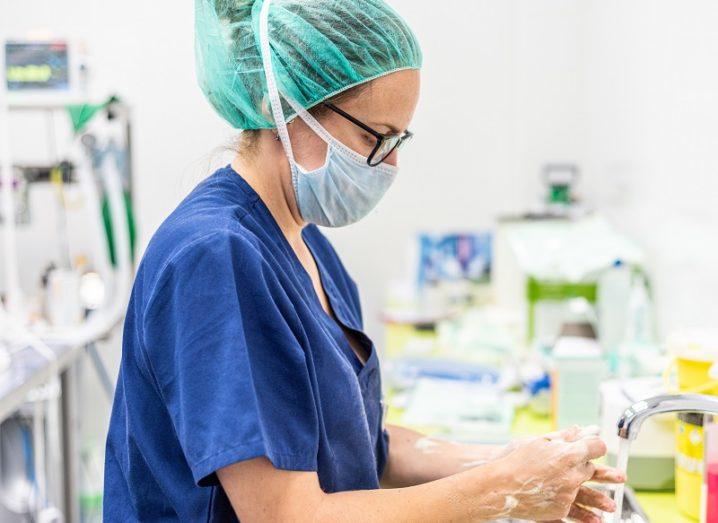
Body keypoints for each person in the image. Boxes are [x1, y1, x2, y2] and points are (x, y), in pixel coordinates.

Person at [103, 0, 625, 521]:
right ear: (284, 107)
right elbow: (286, 514)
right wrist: (500, 488)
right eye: (375, 138)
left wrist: (508, 461)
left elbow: (362, 448)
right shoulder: (216, 258)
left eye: (401, 139)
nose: (391, 164)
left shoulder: (304, 243)